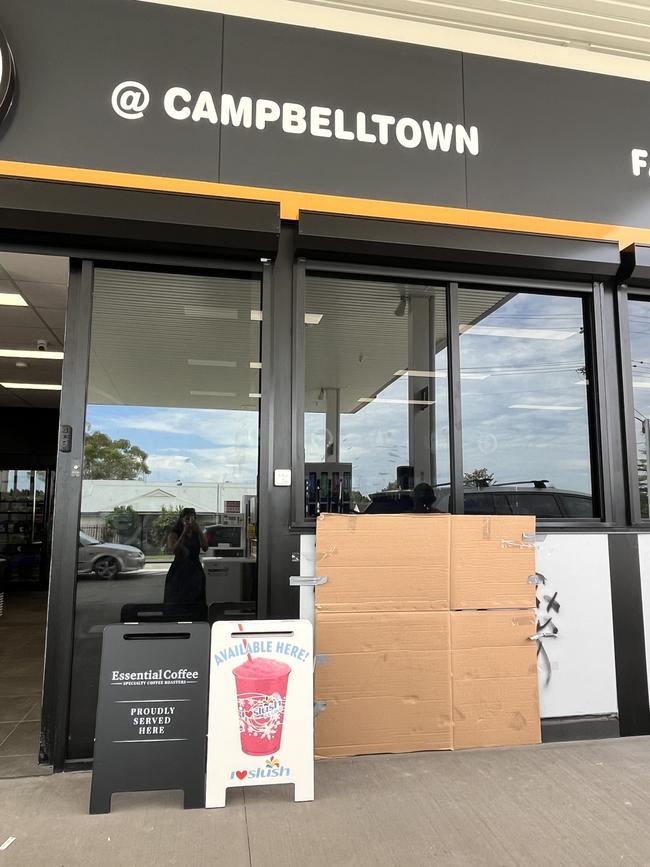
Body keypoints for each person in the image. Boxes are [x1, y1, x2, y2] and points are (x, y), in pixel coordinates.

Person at [163, 508, 208, 611]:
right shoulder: (174, 533)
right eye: (187, 518)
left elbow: (205, 547)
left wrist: (199, 531)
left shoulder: (196, 533)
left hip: (195, 569)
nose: (190, 521)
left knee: (196, 600)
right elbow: (174, 550)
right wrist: (184, 532)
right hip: (179, 570)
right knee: (177, 600)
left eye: (192, 518)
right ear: (181, 519)